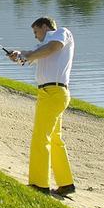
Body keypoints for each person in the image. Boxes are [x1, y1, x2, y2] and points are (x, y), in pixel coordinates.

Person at [9, 16, 76, 196]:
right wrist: (18, 54)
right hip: (47, 94)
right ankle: (66, 183)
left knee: (40, 137)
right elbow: (32, 54)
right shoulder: (40, 49)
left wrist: (28, 54)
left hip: (54, 94)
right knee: (54, 139)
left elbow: (52, 48)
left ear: (45, 26)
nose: (35, 36)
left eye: (36, 31)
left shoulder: (62, 33)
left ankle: (39, 184)